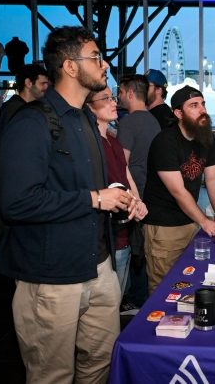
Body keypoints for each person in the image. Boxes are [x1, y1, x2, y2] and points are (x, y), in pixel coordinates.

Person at [0, 26, 136, 384]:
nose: (104, 65)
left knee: (100, 363)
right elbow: (18, 203)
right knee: (51, 374)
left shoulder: (87, 120)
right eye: (96, 57)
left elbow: (84, 188)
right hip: (52, 278)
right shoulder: (31, 122)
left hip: (99, 267)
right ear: (71, 67)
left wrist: (117, 198)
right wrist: (95, 198)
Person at [142, 85, 215, 294]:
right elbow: (178, 191)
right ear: (178, 114)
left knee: (190, 282)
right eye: (194, 106)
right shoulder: (165, 142)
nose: (202, 110)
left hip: (190, 223)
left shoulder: (205, 138)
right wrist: (204, 221)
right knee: (164, 289)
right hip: (164, 228)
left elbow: (213, 177)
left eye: (203, 104)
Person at [85, 87, 148, 295]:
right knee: (108, 298)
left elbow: (126, 174)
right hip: (107, 232)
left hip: (125, 229)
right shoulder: (88, 144)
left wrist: (138, 201)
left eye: (112, 98)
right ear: (89, 107)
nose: (114, 103)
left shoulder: (113, 140)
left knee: (117, 296)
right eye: (106, 99)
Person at [116, 74, 161, 313]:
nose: (118, 97)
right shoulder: (153, 121)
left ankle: (135, 299)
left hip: (135, 194)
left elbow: (121, 163)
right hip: (150, 191)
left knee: (135, 249)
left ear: (130, 94)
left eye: (121, 92)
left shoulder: (128, 122)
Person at [0, 64, 49, 131]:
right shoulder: (16, 109)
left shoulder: (16, 107)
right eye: (42, 83)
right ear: (28, 83)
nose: (46, 87)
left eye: (46, 84)